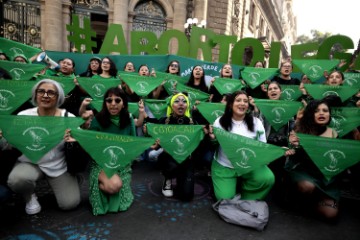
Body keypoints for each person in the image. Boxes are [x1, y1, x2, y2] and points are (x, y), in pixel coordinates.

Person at [1, 79, 81, 215]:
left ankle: (74, 180)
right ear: (35, 95)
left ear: (58, 97)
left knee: (69, 204)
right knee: (17, 180)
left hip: (57, 165)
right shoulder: (23, 116)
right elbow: (10, 145)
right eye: (41, 91)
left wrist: (73, 141)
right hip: (30, 163)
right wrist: (3, 138)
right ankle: (29, 196)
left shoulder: (68, 118)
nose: (45, 95)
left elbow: (80, 145)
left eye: (51, 93)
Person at [73, 87, 137, 215]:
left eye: (117, 100)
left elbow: (133, 144)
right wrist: (83, 125)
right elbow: (89, 142)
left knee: (117, 190)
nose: (113, 104)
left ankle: (105, 185)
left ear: (123, 103)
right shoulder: (98, 119)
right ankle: (98, 185)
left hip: (121, 162)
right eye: (109, 100)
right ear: (105, 103)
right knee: (113, 186)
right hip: (101, 162)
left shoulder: (129, 120)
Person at [207, 90, 275, 201]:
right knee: (224, 199)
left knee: (267, 178)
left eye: (245, 101)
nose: (242, 103)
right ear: (230, 104)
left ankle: (246, 196)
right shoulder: (219, 122)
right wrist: (212, 138)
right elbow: (213, 144)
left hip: (249, 165)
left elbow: (262, 146)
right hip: (225, 166)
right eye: (238, 100)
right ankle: (230, 186)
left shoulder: (256, 122)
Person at [286, 99, 339, 220]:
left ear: (329, 114)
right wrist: (293, 145)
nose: (321, 113)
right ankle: (293, 198)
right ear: (311, 114)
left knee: (331, 214)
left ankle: (313, 201)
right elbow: (292, 152)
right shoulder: (301, 130)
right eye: (317, 111)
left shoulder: (333, 133)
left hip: (324, 179)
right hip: (303, 172)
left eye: (325, 111)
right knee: (307, 186)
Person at [144, 92, 198, 201]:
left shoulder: (193, 123)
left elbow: (198, 142)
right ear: (171, 106)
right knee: (169, 162)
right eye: (177, 101)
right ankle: (168, 178)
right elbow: (155, 142)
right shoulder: (164, 122)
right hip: (169, 159)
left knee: (186, 196)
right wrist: (155, 144)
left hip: (186, 159)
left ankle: (181, 178)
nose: (181, 104)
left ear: (187, 105)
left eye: (184, 101)